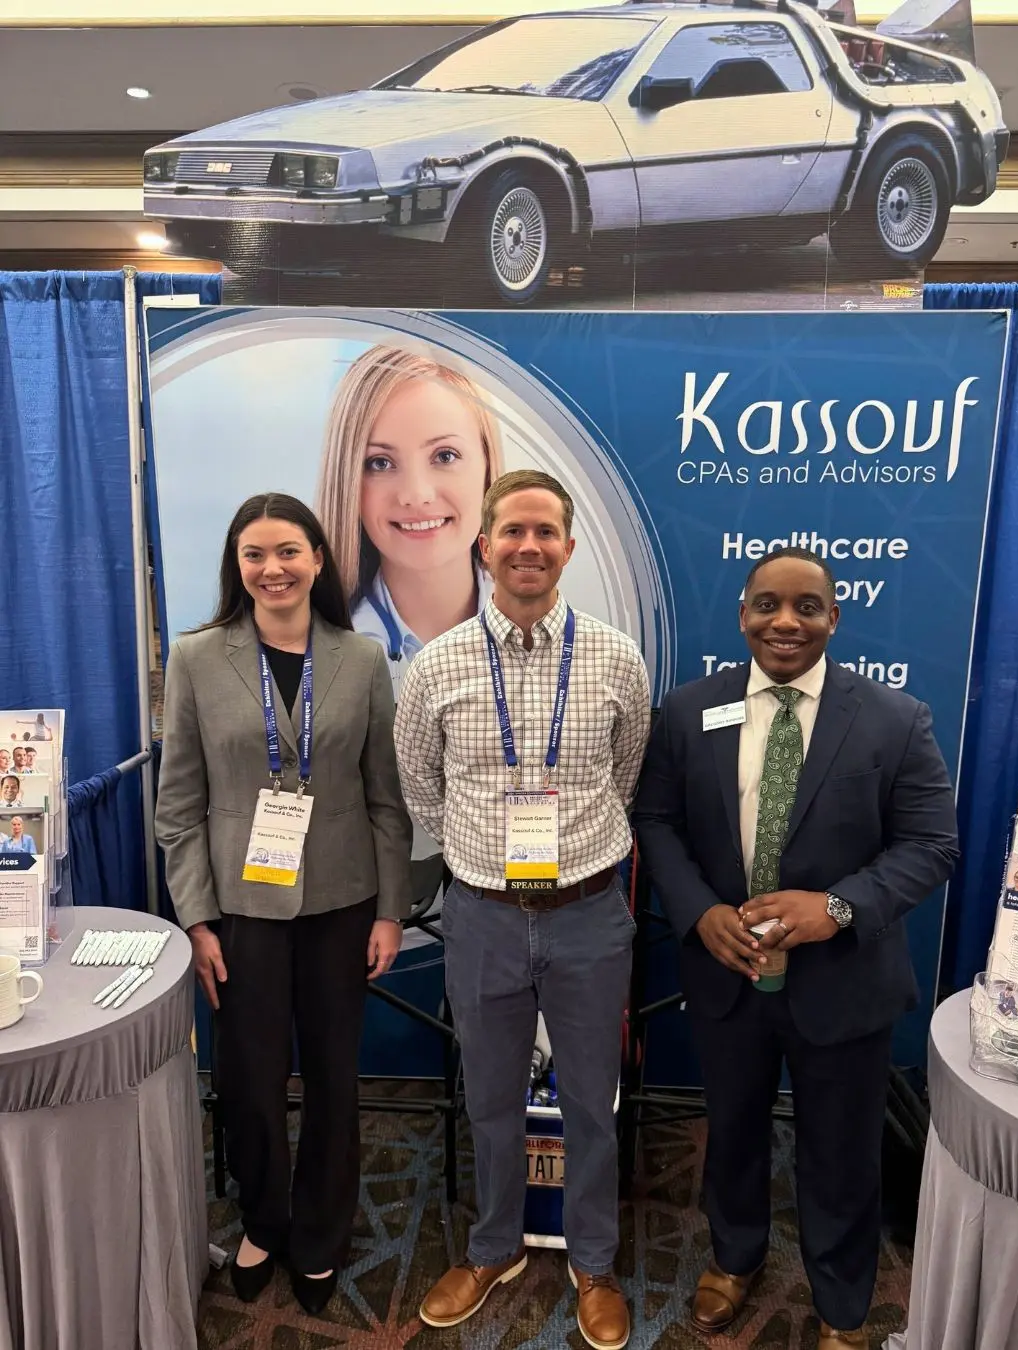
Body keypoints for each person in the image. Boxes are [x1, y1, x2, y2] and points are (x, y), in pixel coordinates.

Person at [634, 547, 959, 1350]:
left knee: (841, 1150)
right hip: (727, 973)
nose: (786, 621)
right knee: (732, 1129)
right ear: (742, 615)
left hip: (842, 979)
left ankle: (843, 1302)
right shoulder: (688, 710)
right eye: (768, 604)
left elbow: (932, 845)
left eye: (807, 607)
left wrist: (837, 908)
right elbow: (658, 822)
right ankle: (734, 1256)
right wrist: (698, 912)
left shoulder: (894, 719)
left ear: (834, 619)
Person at [394, 469, 651, 1350]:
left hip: (588, 913)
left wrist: (567, 856)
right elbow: (421, 787)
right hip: (483, 917)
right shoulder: (437, 665)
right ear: (485, 545)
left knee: (591, 1101)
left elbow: (625, 776)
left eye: (546, 532)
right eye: (513, 531)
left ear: (569, 548)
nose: (529, 547)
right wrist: (483, 859)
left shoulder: (616, 658)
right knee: (492, 1098)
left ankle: (595, 1264)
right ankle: (494, 1247)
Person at [155, 491, 412, 1315]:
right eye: (255, 554)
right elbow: (178, 806)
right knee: (250, 1079)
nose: (273, 569)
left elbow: (386, 801)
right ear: (237, 566)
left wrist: (390, 910)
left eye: (288, 551)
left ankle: (322, 1232)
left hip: (343, 901)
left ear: (318, 560)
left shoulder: (361, 659)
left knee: (335, 1078)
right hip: (242, 909)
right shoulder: (197, 658)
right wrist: (197, 919)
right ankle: (264, 1219)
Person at [315, 344, 505, 699]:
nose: (416, 494)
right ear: (347, 483)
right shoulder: (313, 663)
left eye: (444, 456)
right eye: (380, 463)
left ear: (487, 468)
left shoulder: (562, 645)